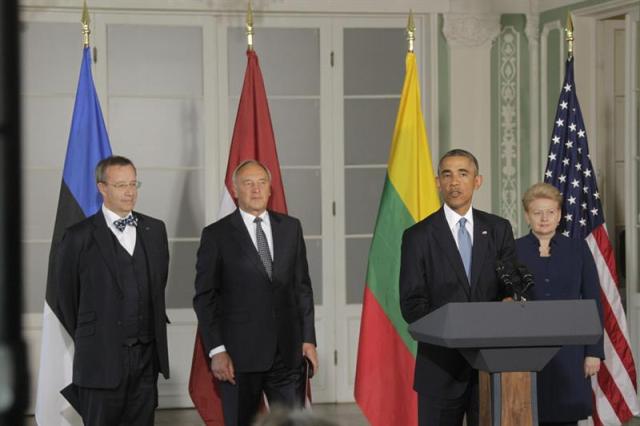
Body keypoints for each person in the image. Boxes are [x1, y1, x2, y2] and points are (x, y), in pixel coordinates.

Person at [193, 159, 318, 426]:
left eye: (262, 183)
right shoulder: (216, 235)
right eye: (248, 183)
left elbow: (302, 288)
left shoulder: (291, 228)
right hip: (238, 359)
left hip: (287, 355)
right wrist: (217, 351)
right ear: (236, 190)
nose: (256, 189)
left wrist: (308, 339)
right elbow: (205, 298)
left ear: (270, 189)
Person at [399, 149, 517, 426]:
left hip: (491, 367)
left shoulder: (498, 229)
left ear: (478, 181)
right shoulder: (418, 236)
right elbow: (412, 304)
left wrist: (511, 299)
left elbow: (511, 286)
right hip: (439, 369)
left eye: (463, 174)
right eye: (447, 174)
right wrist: (455, 332)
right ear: (437, 182)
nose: (455, 182)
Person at [55, 155, 170, 425]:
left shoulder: (155, 230)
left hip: (146, 359)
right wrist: (97, 335)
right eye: (120, 185)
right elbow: (66, 300)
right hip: (100, 361)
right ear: (102, 188)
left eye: (133, 183)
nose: (130, 192)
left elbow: (157, 286)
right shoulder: (78, 236)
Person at [516, 182, 603, 425]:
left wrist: (593, 352)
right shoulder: (514, 250)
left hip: (571, 351)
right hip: (526, 350)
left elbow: (593, 300)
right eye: (537, 212)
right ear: (527, 216)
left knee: (566, 416)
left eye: (551, 212)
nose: (544, 218)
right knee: (529, 413)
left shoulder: (577, 248)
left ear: (559, 215)